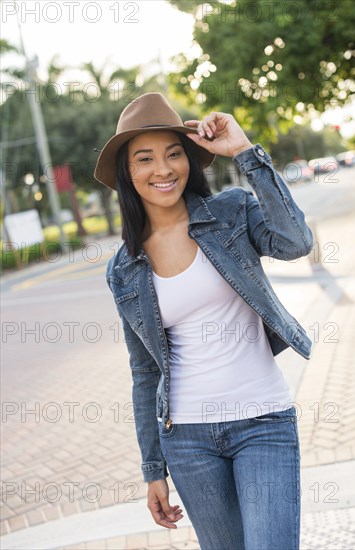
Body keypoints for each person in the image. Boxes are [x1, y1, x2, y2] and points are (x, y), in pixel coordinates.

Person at [94, 92, 313, 550]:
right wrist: (153, 469)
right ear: (127, 173)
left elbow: (295, 241)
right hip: (188, 441)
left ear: (190, 160)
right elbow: (145, 371)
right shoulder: (123, 268)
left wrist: (245, 152)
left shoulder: (231, 212)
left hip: (263, 420)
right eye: (145, 158)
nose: (163, 169)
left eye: (174, 153)